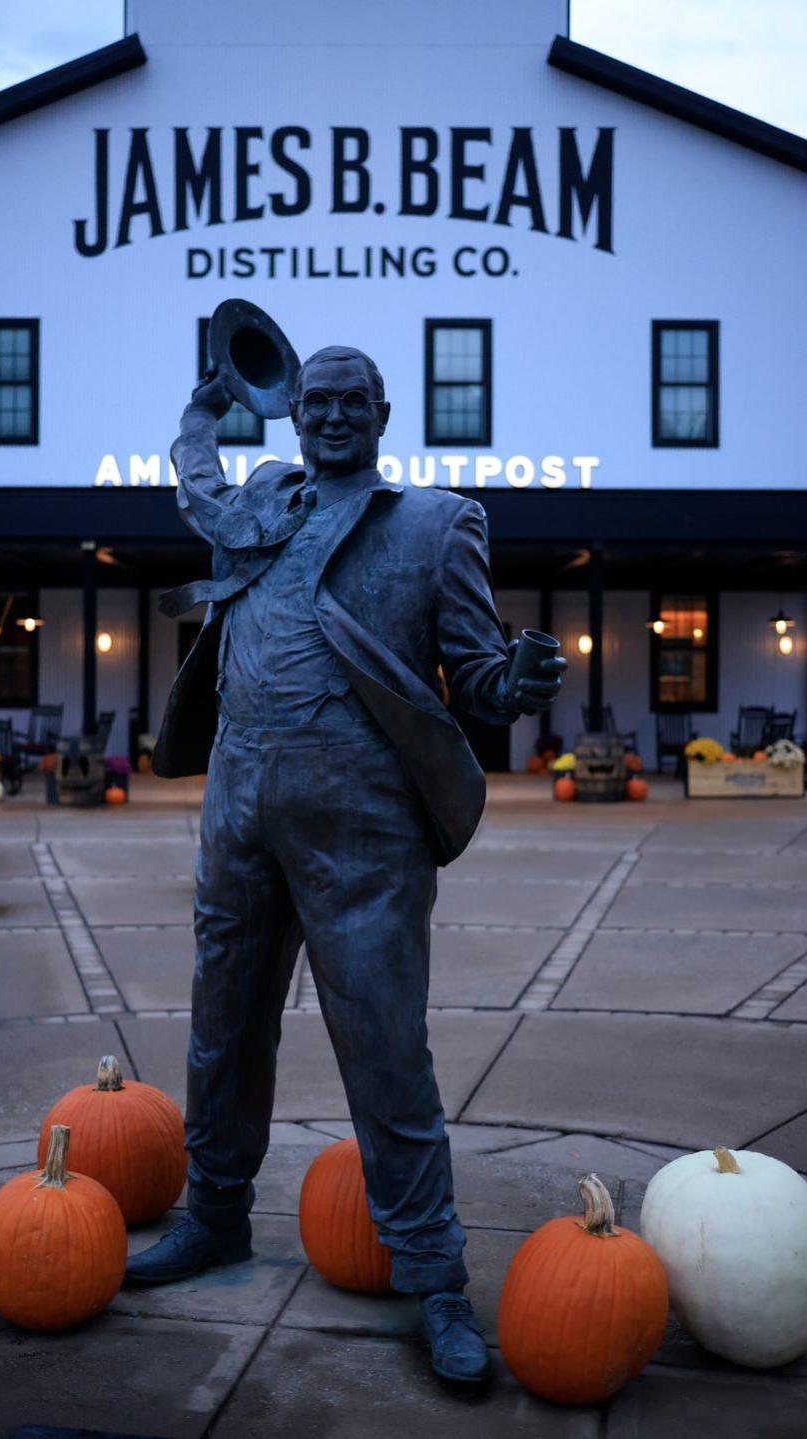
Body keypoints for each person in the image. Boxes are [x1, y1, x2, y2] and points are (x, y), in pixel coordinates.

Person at [126, 344, 566, 1384]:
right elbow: (199, 497)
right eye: (313, 401)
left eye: (348, 403)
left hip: (362, 820)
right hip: (239, 800)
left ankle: (434, 1274)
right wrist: (200, 415)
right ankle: (217, 1214)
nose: (329, 417)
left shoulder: (435, 522)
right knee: (222, 1022)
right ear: (294, 415)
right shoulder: (265, 499)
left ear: (383, 411)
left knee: (382, 1046)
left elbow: (476, 674)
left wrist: (520, 679)